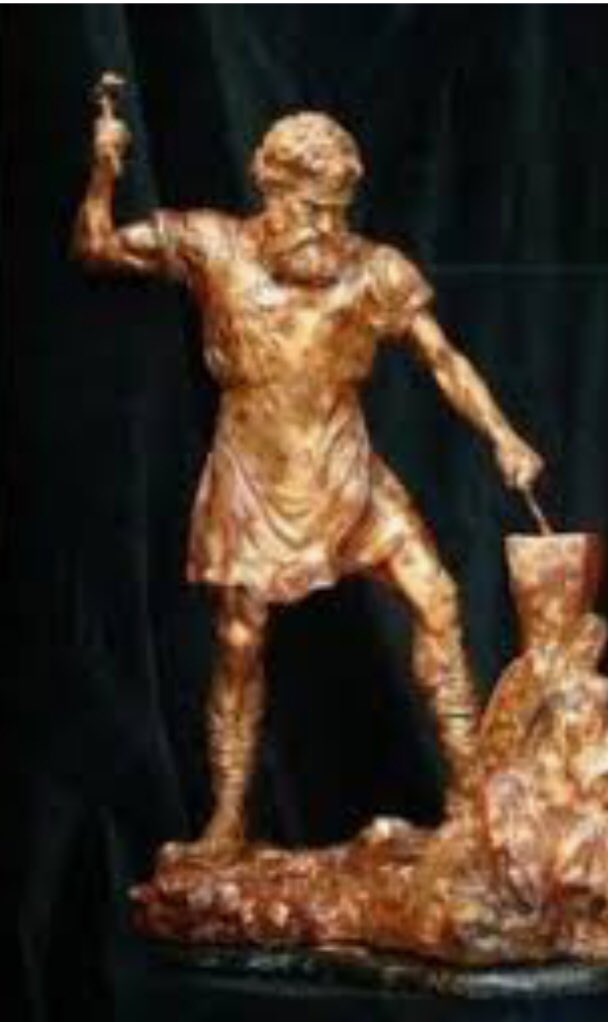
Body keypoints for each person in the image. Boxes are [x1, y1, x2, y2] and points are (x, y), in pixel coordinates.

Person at [73, 73, 543, 861]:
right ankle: (227, 821)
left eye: (338, 210)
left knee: (437, 598)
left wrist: (504, 436)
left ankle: (470, 804)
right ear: (272, 189)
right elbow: (96, 247)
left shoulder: (374, 271)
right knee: (239, 642)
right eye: (312, 207)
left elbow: (443, 360)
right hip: (252, 482)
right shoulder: (211, 245)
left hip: (349, 475)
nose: (328, 226)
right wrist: (103, 170)